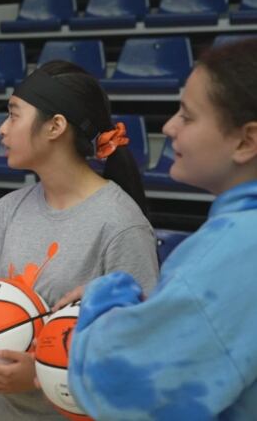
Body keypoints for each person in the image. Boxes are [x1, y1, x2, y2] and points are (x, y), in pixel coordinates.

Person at [0, 60, 160, 420]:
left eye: (13, 115)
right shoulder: (9, 207)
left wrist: (41, 373)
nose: (2, 130)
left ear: (55, 126)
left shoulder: (121, 224)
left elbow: (143, 350)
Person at [68, 38, 257, 420]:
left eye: (187, 116)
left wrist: (105, 293)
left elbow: (115, 382)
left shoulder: (236, 248)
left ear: (246, 140)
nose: (169, 127)